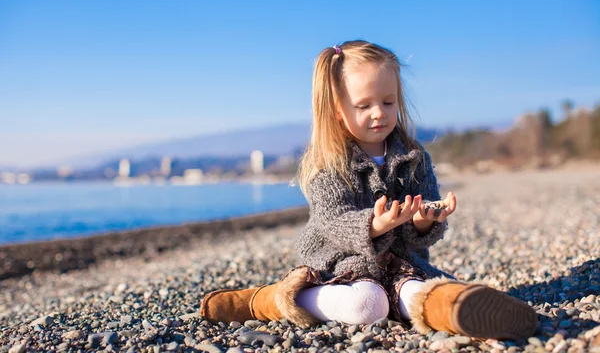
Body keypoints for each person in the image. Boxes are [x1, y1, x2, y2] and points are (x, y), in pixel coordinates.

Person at [200, 40, 537, 339]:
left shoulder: (414, 156)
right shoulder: (329, 161)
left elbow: (424, 234)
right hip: (341, 265)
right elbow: (333, 221)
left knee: (416, 291)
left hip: (402, 263)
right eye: (364, 106)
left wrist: (425, 220)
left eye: (388, 103)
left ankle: (461, 311)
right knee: (369, 303)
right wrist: (376, 225)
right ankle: (280, 298)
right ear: (337, 110)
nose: (379, 114)